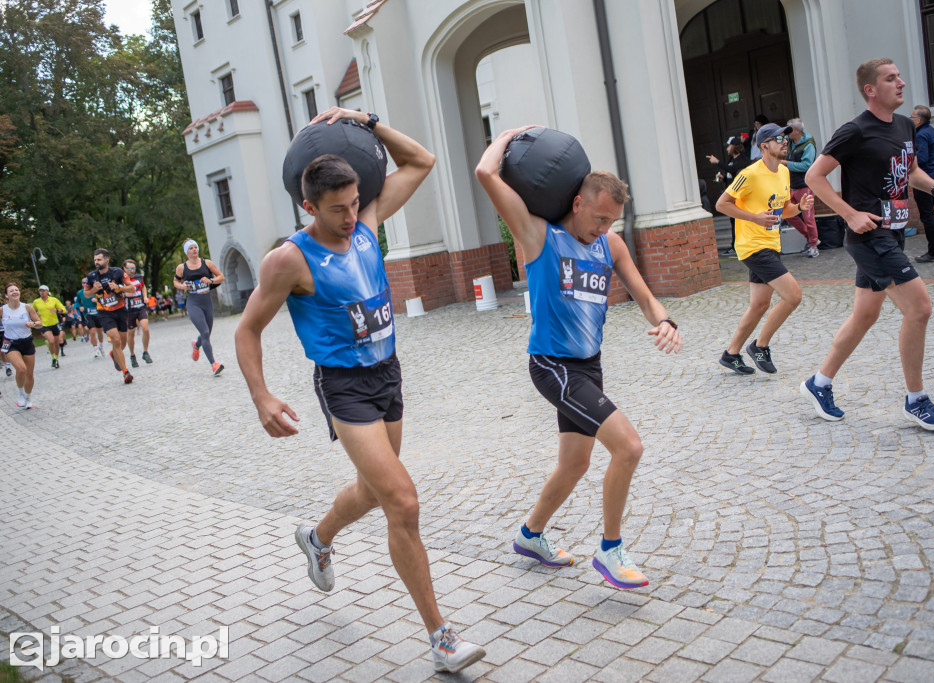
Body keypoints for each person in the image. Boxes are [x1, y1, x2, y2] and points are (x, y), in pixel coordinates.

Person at [235, 107, 486, 673]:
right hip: (344, 385)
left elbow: (421, 160)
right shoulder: (289, 260)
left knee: (374, 492)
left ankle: (318, 536)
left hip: (388, 374)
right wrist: (262, 396)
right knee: (402, 500)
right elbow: (247, 329)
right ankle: (442, 638)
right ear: (308, 207)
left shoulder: (366, 223)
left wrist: (367, 121)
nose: (350, 217)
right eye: (336, 209)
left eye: (354, 204)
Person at [476, 126, 682, 590]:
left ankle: (530, 536)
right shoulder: (538, 237)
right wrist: (507, 136)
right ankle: (610, 551)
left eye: (612, 221)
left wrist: (665, 320)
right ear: (578, 203)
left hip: (589, 365)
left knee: (575, 463)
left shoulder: (609, 246)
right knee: (628, 447)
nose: (603, 228)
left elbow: (644, 295)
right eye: (600, 218)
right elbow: (486, 172)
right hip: (552, 365)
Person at [801, 58, 934, 430]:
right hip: (870, 236)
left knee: (865, 314)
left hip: (894, 231)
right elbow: (814, 175)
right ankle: (916, 399)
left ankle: (818, 382)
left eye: (899, 77)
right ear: (871, 90)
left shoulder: (905, 125)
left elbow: (911, 170)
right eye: (891, 79)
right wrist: (849, 214)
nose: (901, 83)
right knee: (919, 308)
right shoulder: (855, 130)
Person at [716, 123, 815, 375]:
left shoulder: (782, 171)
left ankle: (731, 354)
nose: (784, 141)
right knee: (793, 296)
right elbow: (722, 204)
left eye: (785, 137)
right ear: (764, 146)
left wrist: (800, 207)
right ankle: (760, 346)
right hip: (753, 245)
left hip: (771, 244)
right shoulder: (749, 174)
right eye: (777, 138)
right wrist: (754, 218)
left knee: (759, 305)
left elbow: (784, 209)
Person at [84, 248, 136, 384]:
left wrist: (118, 288)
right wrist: (94, 290)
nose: (96, 262)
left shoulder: (117, 272)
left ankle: (114, 354)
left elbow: (132, 288)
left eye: (99, 259)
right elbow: (86, 294)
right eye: (95, 260)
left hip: (120, 310)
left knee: (122, 342)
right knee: (115, 339)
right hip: (104, 312)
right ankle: (126, 372)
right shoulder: (91, 276)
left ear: (107, 260)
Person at [174, 240, 226, 375]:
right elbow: (175, 281)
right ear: (187, 252)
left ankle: (196, 345)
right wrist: (182, 286)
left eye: (195, 247)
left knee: (207, 332)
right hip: (193, 302)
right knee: (205, 333)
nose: (194, 250)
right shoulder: (182, 267)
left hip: (206, 301)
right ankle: (214, 364)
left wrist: (211, 280)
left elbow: (221, 277)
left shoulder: (207, 263)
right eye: (191, 248)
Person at [910, 105, 934, 263]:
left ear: (918, 121)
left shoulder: (921, 135)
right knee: (930, 214)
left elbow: (922, 159)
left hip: (923, 179)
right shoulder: (932, 131)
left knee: (927, 216)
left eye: (912, 118)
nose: (910, 120)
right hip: (932, 177)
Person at [708, 137, 753, 256]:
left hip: (740, 197)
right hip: (731, 196)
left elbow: (734, 169)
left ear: (734, 147)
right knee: (733, 221)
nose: (727, 148)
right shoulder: (731, 159)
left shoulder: (743, 160)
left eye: (729, 146)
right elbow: (731, 173)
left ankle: (739, 245)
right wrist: (723, 178)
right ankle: (734, 245)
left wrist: (717, 162)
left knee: (739, 220)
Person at [2, 282, 43, 408]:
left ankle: (27, 398)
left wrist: (33, 324)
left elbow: (39, 323)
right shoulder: (3, 310)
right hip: (11, 343)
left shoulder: (27, 308)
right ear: (6, 295)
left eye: (16, 290)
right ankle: (20, 393)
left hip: (27, 342)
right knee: (21, 369)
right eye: (11, 291)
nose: (15, 292)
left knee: (29, 374)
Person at [785, 118, 820, 258]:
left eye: (789, 130)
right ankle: (812, 239)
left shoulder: (808, 144)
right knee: (788, 214)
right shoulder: (789, 143)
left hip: (805, 186)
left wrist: (786, 163)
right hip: (792, 186)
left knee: (808, 217)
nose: (787, 133)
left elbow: (807, 165)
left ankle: (813, 246)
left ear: (797, 131)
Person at [123, 259, 153, 367]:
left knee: (145, 328)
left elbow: (143, 286)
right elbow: (117, 292)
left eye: (133, 268)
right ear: (124, 269)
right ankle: (132, 355)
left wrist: (145, 297)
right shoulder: (121, 279)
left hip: (140, 307)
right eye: (129, 268)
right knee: (131, 333)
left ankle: (145, 352)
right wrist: (125, 294)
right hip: (129, 310)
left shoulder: (139, 277)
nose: (132, 271)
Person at [31, 285, 66, 369]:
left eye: (43, 291)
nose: (42, 292)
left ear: (47, 291)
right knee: (51, 341)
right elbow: (31, 311)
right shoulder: (36, 302)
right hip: (44, 325)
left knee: (56, 343)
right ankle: (53, 357)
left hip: (55, 324)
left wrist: (57, 310)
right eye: (40, 291)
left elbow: (64, 310)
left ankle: (56, 359)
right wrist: (35, 318)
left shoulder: (54, 300)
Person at [76, 280, 103, 357]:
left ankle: (101, 346)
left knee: (100, 331)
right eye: (83, 283)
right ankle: (96, 350)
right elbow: (77, 302)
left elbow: (104, 299)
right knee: (92, 331)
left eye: (86, 282)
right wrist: (79, 306)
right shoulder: (80, 293)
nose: (84, 284)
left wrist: (97, 300)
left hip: (98, 313)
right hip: (88, 314)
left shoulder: (96, 290)